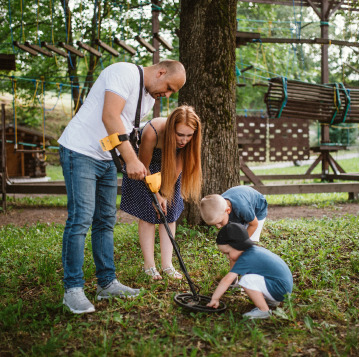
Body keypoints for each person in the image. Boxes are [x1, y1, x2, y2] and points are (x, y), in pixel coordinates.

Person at [57, 60, 186, 314]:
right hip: (80, 151)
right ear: (161, 72)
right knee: (81, 218)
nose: (168, 95)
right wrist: (131, 159)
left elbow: (126, 132)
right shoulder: (124, 72)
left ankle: (107, 283)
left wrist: (154, 190)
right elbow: (110, 116)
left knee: (105, 220)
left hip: (106, 158)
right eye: (169, 87)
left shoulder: (147, 99)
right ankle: (73, 289)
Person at [120, 105, 202, 280]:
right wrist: (155, 195)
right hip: (144, 169)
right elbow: (143, 166)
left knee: (169, 213)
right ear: (172, 127)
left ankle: (167, 266)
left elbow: (178, 166)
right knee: (149, 214)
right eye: (180, 134)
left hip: (168, 169)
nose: (184, 140)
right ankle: (149, 266)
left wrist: (164, 193)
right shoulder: (154, 131)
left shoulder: (188, 141)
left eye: (189, 135)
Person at [206, 222, 293, 319]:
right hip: (282, 288)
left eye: (227, 253)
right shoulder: (252, 251)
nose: (227, 257)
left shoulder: (246, 258)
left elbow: (227, 280)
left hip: (280, 289)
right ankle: (271, 301)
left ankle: (264, 310)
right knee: (249, 278)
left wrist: (215, 298)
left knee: (246, 280)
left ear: (237, 246)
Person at [200, 186, 268, 242]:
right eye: (215, 224)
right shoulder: (220, 207)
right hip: (242, 206)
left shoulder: (242, 208)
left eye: (220, 222)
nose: (218, 227)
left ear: (228, 210)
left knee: (250, 239)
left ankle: (251, 253)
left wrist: (243, 242)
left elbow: (254, 225)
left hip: (258, 208)